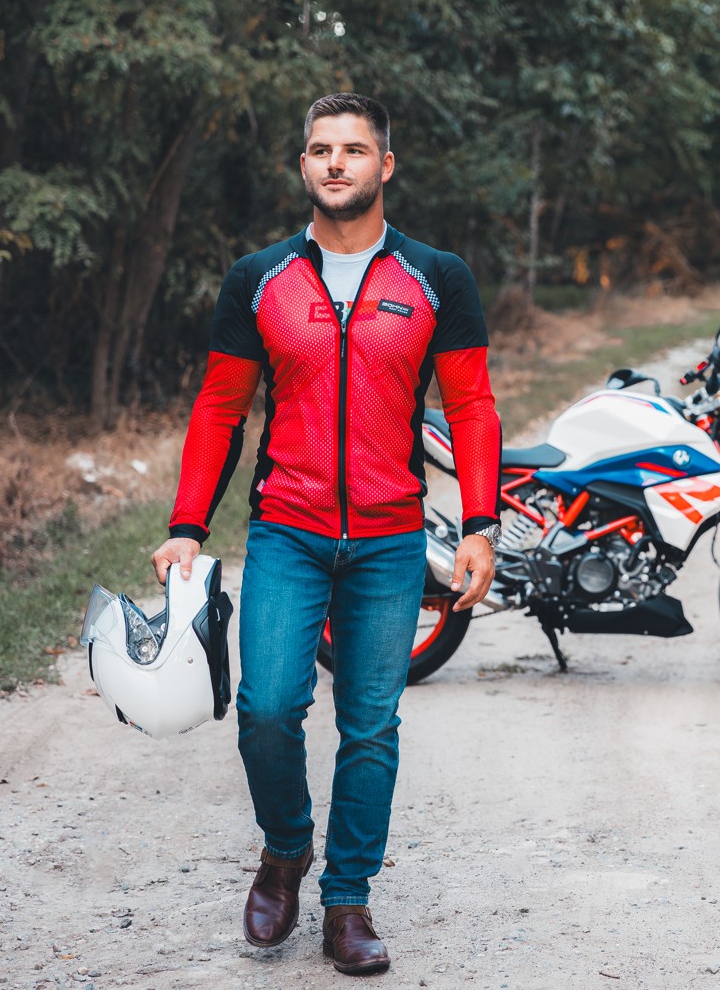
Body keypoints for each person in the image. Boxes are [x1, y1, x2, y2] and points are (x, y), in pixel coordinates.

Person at [149, 92, 501, 976]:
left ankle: (348, 901)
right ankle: (285, 850)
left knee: (372, 725)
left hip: (389, 540)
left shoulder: (437, 276)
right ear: (302, 167)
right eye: (319, 149)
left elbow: (471, 405)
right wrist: (187, 524)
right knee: (268, 708)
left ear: (386, 166)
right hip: (288, 530)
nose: (335, 162)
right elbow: (220, 408)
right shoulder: (260, 278)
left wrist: (482, 524)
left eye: (353, 148)